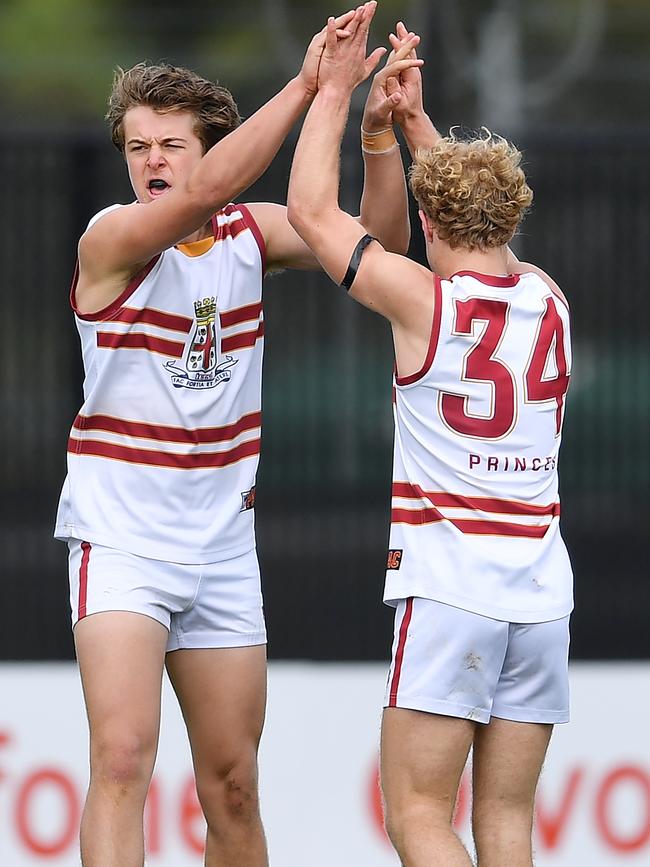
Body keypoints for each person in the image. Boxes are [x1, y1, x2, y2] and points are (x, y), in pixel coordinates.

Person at [53, 5, 413, 866]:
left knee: (234, 786)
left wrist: (366, 133)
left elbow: (383, 247)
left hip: (219, 544)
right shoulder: (111, 238)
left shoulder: (250, 236)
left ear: (205, 146)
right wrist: (306, 84)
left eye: (170, 145)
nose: (152, 163)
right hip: (122, 536)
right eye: (138, 146)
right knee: (121, 759)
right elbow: (208, 194)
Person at [287, 19, 573, 867]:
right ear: (510, 215)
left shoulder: (426, 303)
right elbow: (473, 217)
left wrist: (337, 89)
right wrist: (415, 127)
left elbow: (309, 211)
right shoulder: (549, 300)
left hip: (454, 591)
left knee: (415, 812)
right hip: (543, 596)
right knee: (508, 823)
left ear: (429, 217)